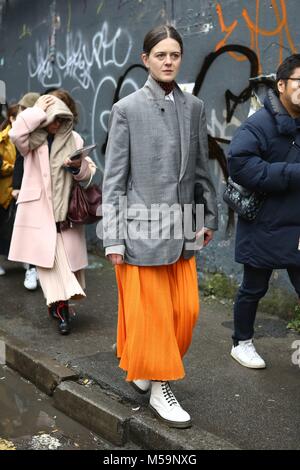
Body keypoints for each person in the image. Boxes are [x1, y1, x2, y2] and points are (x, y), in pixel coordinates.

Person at [102, 25, 218, 428]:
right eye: (161, 54)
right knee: (153, 317)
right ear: (146, 58)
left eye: (175, 54)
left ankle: (143, 367)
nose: (168, 61)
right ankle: (160, 388)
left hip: (184, 228)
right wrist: (112, 236)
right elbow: (114, 180)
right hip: (141, 232)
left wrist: (207, 217)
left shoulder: (195, 107)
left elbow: (202, 170)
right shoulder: (127, 109)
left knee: (185, 313)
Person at [228, 54, 300, 369]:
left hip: (297, 225)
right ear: (281, 84)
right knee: (254, 288)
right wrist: (290, 174)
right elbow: (239, 163)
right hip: (265, 224)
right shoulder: (259, 123)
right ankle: (241, 342)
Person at [8, 94, 96, 335]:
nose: (55, 124)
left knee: (68, 266)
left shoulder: (74, 139)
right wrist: (36, 111)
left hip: (66, 214)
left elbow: (88, 176)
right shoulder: (32, 142)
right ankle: (62, 312)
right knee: (50, 265)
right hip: (40, 213)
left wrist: (77, 167)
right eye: (51, 119)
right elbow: (15, 134)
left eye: (59, 119)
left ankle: (58, 306)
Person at [11, 92, 40, 289]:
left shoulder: (42, 134)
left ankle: (34, 268)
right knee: (29, 232)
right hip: (28, 190)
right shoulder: (23, 135)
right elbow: (19, 162)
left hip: (43, 192)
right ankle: (31, 268)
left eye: (23, 108)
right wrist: (16, 187)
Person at [0, 103, 18, 275]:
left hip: (18, 189)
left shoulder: (26, 138)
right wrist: (14, 167)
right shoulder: (3, 138)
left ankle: (28, 264)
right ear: (11, 119)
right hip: (3, 190)